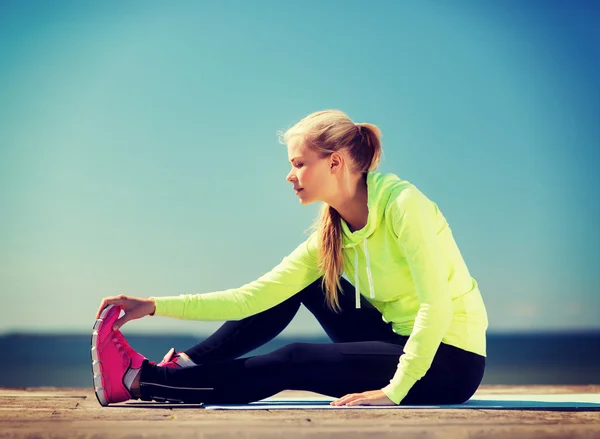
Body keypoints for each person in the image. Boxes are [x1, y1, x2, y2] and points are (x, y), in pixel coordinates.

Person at [91, 109, 488, 407]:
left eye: (299, 164)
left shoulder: (403, 205)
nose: (290, 175)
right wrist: (154, 306)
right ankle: (186, 366)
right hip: (395, 341)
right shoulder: (331, 235)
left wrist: (391, 393)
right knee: (306, 285)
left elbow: (435, 305)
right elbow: (251, 298)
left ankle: (140, 381)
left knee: (296, 358)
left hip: (448, 361)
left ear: (335, 162)